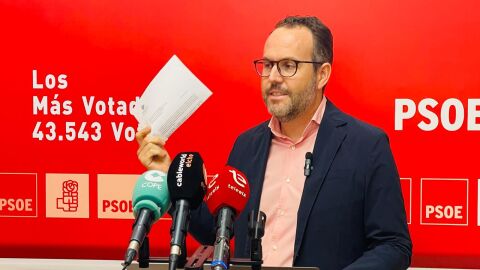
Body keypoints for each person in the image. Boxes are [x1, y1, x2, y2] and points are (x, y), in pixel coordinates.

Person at [136, 16, 412, 270]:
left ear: (322, 74)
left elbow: (393, 246)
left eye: (288, 66)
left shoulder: (366, 145)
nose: (274, 77)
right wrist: (168, 175)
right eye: (268, 65)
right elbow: (216, 230)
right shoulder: (247, 145)